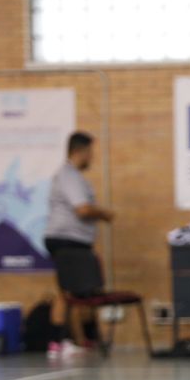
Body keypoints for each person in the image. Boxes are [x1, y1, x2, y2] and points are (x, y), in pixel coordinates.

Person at [43, 131, 114, 360]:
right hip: (66, 240)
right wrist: (104, 213)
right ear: (80, 151)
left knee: (73, 292)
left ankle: (78, 339)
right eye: (90, 153)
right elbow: (82, 209)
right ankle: (56, 341)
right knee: (65, 293)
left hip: (74, 241)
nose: (91, 158)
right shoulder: (69, 176)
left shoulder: (73, 176)